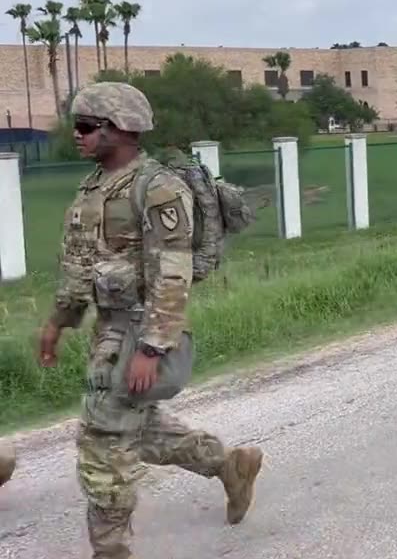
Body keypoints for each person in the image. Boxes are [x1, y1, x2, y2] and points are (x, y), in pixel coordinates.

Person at [37, 81, 264, 557]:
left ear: (119, 130)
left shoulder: (156, 188)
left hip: (138, 332)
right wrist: (59, 320)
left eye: (85, 127)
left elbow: (172, 273)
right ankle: (229, 465)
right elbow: (80, 262)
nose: (76, 135)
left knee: (102, 447)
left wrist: (151, 347)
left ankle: (111, 551)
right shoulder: (96, 185)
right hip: (110, 330)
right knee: (138, 429)